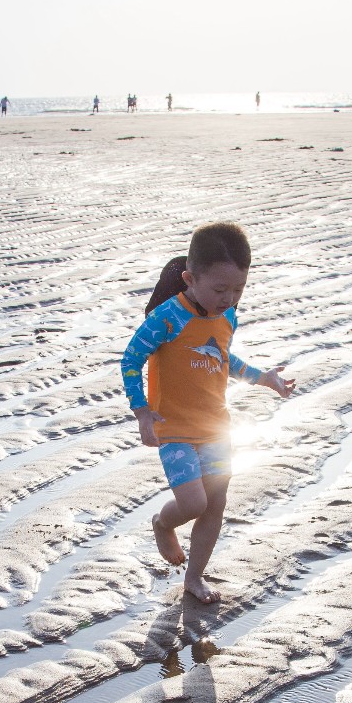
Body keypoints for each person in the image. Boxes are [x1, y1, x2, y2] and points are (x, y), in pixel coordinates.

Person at [121, 221, 295, 605]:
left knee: (215, 504)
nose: (229, 298)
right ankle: (162, 523)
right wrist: (142, 412)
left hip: (217, 426)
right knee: (194, 504)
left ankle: (194, 579)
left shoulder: (227, 315)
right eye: (219, 289)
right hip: (175, 428)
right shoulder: (167, 318)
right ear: (190, 278)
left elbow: (221, 357)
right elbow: (132, 359)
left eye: (238, 289)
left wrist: (261, 378)